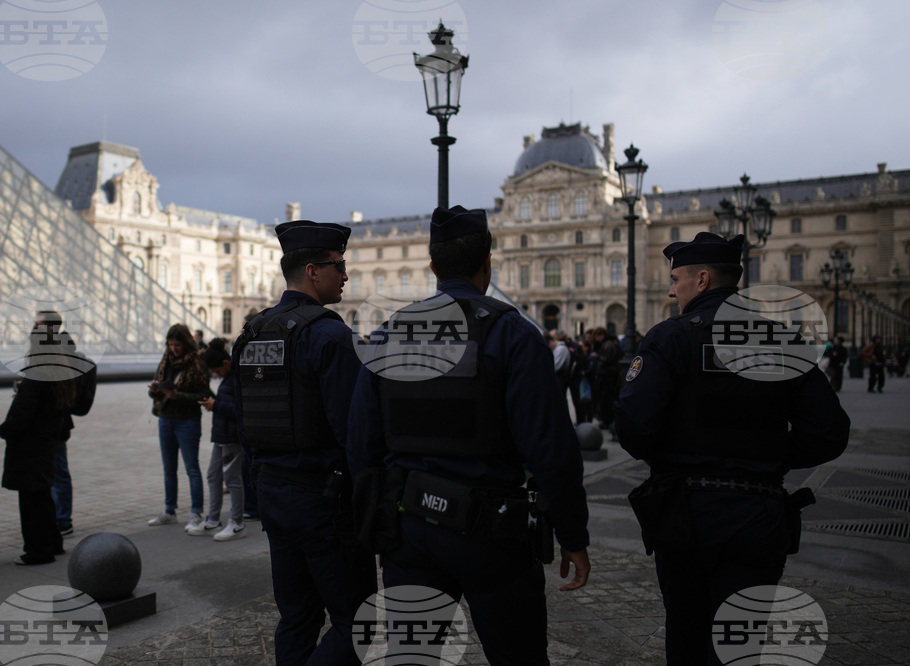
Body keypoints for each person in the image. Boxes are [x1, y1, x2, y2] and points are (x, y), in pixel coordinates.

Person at [347, 206, 591, 666]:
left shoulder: (389, 334)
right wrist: (573, 534)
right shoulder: (514, 333)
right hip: (492, 530)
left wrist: (382, 530)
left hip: (410, 526)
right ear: (488, 264)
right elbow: (551, 449)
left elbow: (361, 443)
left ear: (433, 266)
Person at [613, 232, 850, 665]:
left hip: (686, 511)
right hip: (760, 512)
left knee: (686, 632)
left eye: (676, 278)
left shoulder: (670, 338)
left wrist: (673, 452)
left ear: (701, 280)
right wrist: (772, 454)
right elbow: (830, 431)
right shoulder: (781, 340)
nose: (670, 289)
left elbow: (633, 426)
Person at [231, 219, 376, 664]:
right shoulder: (330, 336)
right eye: (339, 265)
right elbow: (355, 435)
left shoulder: (252, 333)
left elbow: (244, 422)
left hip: (273, 493)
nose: (346, 274)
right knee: (361, 623)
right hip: (324, 501)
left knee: (296, 617)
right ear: (314, 271)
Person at [0, 324, 77, 565]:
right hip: (47, 443)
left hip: (30, 448)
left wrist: (5, 429)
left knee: (31, 501)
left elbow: (23, 414)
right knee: (43, 497)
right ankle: (52, 542)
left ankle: (38, 550)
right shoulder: (58, 372)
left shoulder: (36, 373)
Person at [32, 312, 98, 537]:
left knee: (58, 472)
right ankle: (58, 518)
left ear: (50, 329)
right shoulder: (53, 350)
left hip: (54, 421)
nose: (33, 327)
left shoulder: (57, 354)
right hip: (54, 421)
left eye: (37, 324)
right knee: (55, 472)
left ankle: (62, 520)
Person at [147, 324, 211, 530]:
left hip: (187, 420)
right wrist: (156, 388)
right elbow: (155, 391)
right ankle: (169, 511)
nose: (174, 349)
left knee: (192, 468)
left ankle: (196, 513)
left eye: (177, 345)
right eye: (171, 344)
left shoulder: (197, 363)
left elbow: (203, 395)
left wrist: (177, 395)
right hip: (165, 418)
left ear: (186, 343)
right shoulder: (166, 359)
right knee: (169, 469)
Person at [198, 337, 249, 541]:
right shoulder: (228, 378)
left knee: (232, 479)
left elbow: (241, 410)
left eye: (217, 371)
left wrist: (215, 405)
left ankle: (237, 523)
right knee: (213, 476)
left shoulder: (237, 378)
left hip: (230, 437)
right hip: (221, 436)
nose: (215, 376)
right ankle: (213, 519)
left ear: (226, 364)